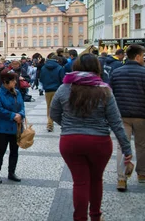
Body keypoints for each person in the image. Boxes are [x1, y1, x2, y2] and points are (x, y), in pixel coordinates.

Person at [50, 53, 132, 221]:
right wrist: (126, 148)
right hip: (99, 142)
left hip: (71, 141)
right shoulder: (104, 90)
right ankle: (95, 216)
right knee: (96, 180)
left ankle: (79, 218)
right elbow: (116, 121)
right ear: (97, 68)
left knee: (79, 182)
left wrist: (68, 126)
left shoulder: (64, 88)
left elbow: (54, 113)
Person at [109, 44, 145, 191]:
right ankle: (142, 174)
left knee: (121, 146)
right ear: (137, 56)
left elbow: (111, 95)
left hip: (121, 115)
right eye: (143, 56)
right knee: (141, 145)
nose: (143, 59)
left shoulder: (116, 73)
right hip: (141, 116)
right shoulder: (144, 73)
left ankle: (121, 179)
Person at [0, 69, 25, 183]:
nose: (15, 82)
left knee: (14, 151)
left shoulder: (17, 92)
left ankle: (11, 172)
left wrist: (21, 114)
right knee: (1, 150)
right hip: (2, 128)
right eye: (13, 80)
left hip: (16, 127)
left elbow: (22, 106)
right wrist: (12, 116)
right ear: (5, 81)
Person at [40, 52, 65, 132]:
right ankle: (61, 123)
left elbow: (41, 78)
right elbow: (62, 79)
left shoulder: (44, 67)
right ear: (57, 60)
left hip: (48, 90)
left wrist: (45, 85)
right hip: (57, 90)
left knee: (49, 107)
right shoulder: (60, 68)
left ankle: (50, 124)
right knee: (59, 107)